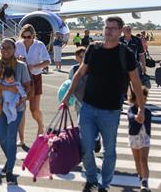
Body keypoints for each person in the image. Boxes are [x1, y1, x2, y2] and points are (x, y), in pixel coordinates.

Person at [61, 16, 146, 192]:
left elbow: (136, 82)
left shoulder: (126, 54)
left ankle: (104, 184)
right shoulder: (93, 48)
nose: (108, 31)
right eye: (106, 27)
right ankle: (91, 178)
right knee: (85, 146)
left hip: (111, 111)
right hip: (88, 108)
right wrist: (67, 96)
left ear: (121, 31)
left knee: (109, 151)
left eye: (112, 28)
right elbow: (79, 74)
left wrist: (141, 109)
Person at [0, 38, 31, 185]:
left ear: (14, 49)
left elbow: (27, 85)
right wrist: (9, 88)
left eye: (8, 47)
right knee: (2, 138)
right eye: (3, 47)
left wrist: (22, 97)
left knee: (11, 136)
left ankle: (9, 171)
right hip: (0, 105)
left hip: (16, 107)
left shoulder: (21, 66)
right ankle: (10, 159)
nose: (5, 50)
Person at [15, 24, 51, 145]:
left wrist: (34, 66)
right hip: (21, 79)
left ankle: (41, 126)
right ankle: (22, 139)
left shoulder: (39, 45)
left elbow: (47, 61)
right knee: (21, 110)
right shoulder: (17, 45)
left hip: (35, 77)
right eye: (24, 37)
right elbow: (11, 60)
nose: (26, 39)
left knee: (34, 110)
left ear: (33, 36)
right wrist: (18, 60)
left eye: (29, 36)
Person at [68, 47, 102, 153]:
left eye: (85, 56)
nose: (83, 59)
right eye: (80, 57)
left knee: (94, 124)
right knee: (82, 126)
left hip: (93, 102)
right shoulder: (73, 69)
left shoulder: (94, 68)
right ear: (76, 58)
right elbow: (69, 84)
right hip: (79, 102)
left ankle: (96, 139)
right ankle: (85, 148)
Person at [128, 88, 152, 192]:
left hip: (144, 137)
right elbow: (131, 117)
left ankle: (145, 182)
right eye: (139, 98)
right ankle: (141, 177)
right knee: (137, 161)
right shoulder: (131, 109)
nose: (142, 100)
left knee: (143, 159)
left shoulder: (147, 111)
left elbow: (145, 120)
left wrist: (141, 111)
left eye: (144, 98)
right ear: (134, 99)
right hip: (134, 137)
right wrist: (136, 115)